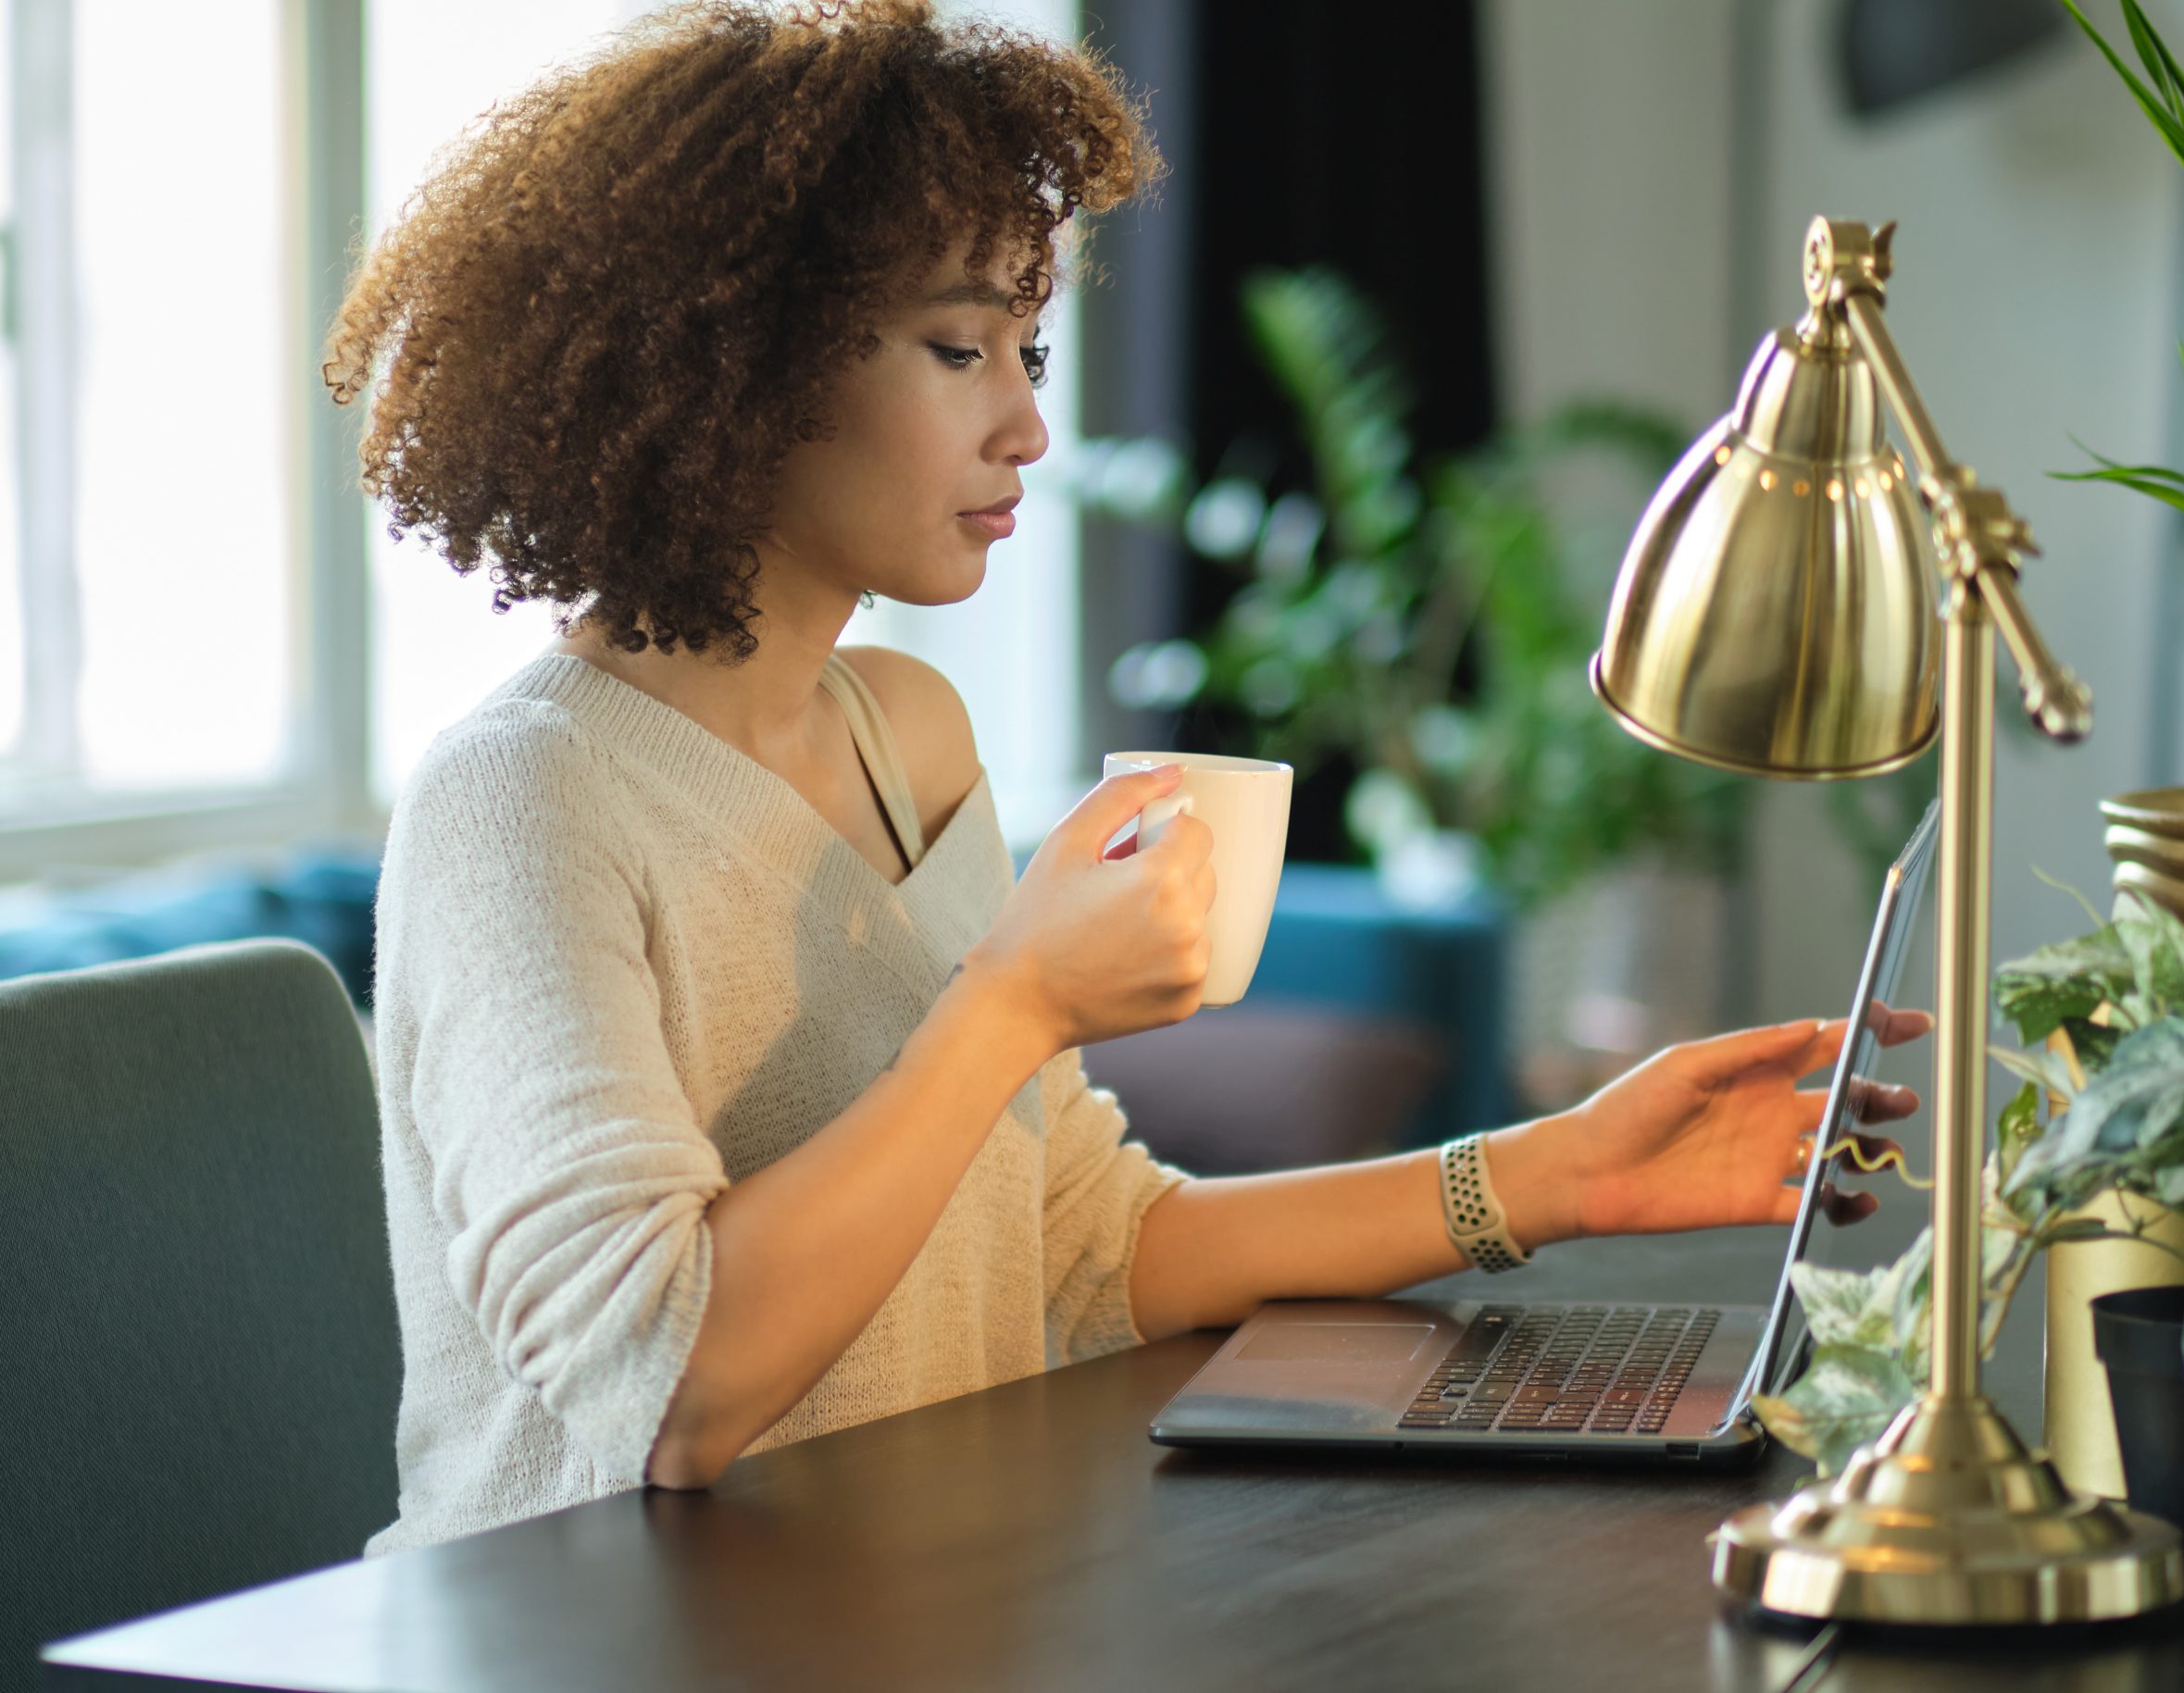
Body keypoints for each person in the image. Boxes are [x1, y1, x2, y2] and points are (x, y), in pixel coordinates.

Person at [327, 0, 1930, 1555]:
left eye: (1028, 346)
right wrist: (1012, 999)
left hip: (906, 1611)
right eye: (960, 347)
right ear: (730, 367)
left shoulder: (907, 732)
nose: (1028, 420)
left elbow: (1089, 1251)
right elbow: (662, 1388)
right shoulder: (525, 804)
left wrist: (1553, 1170)